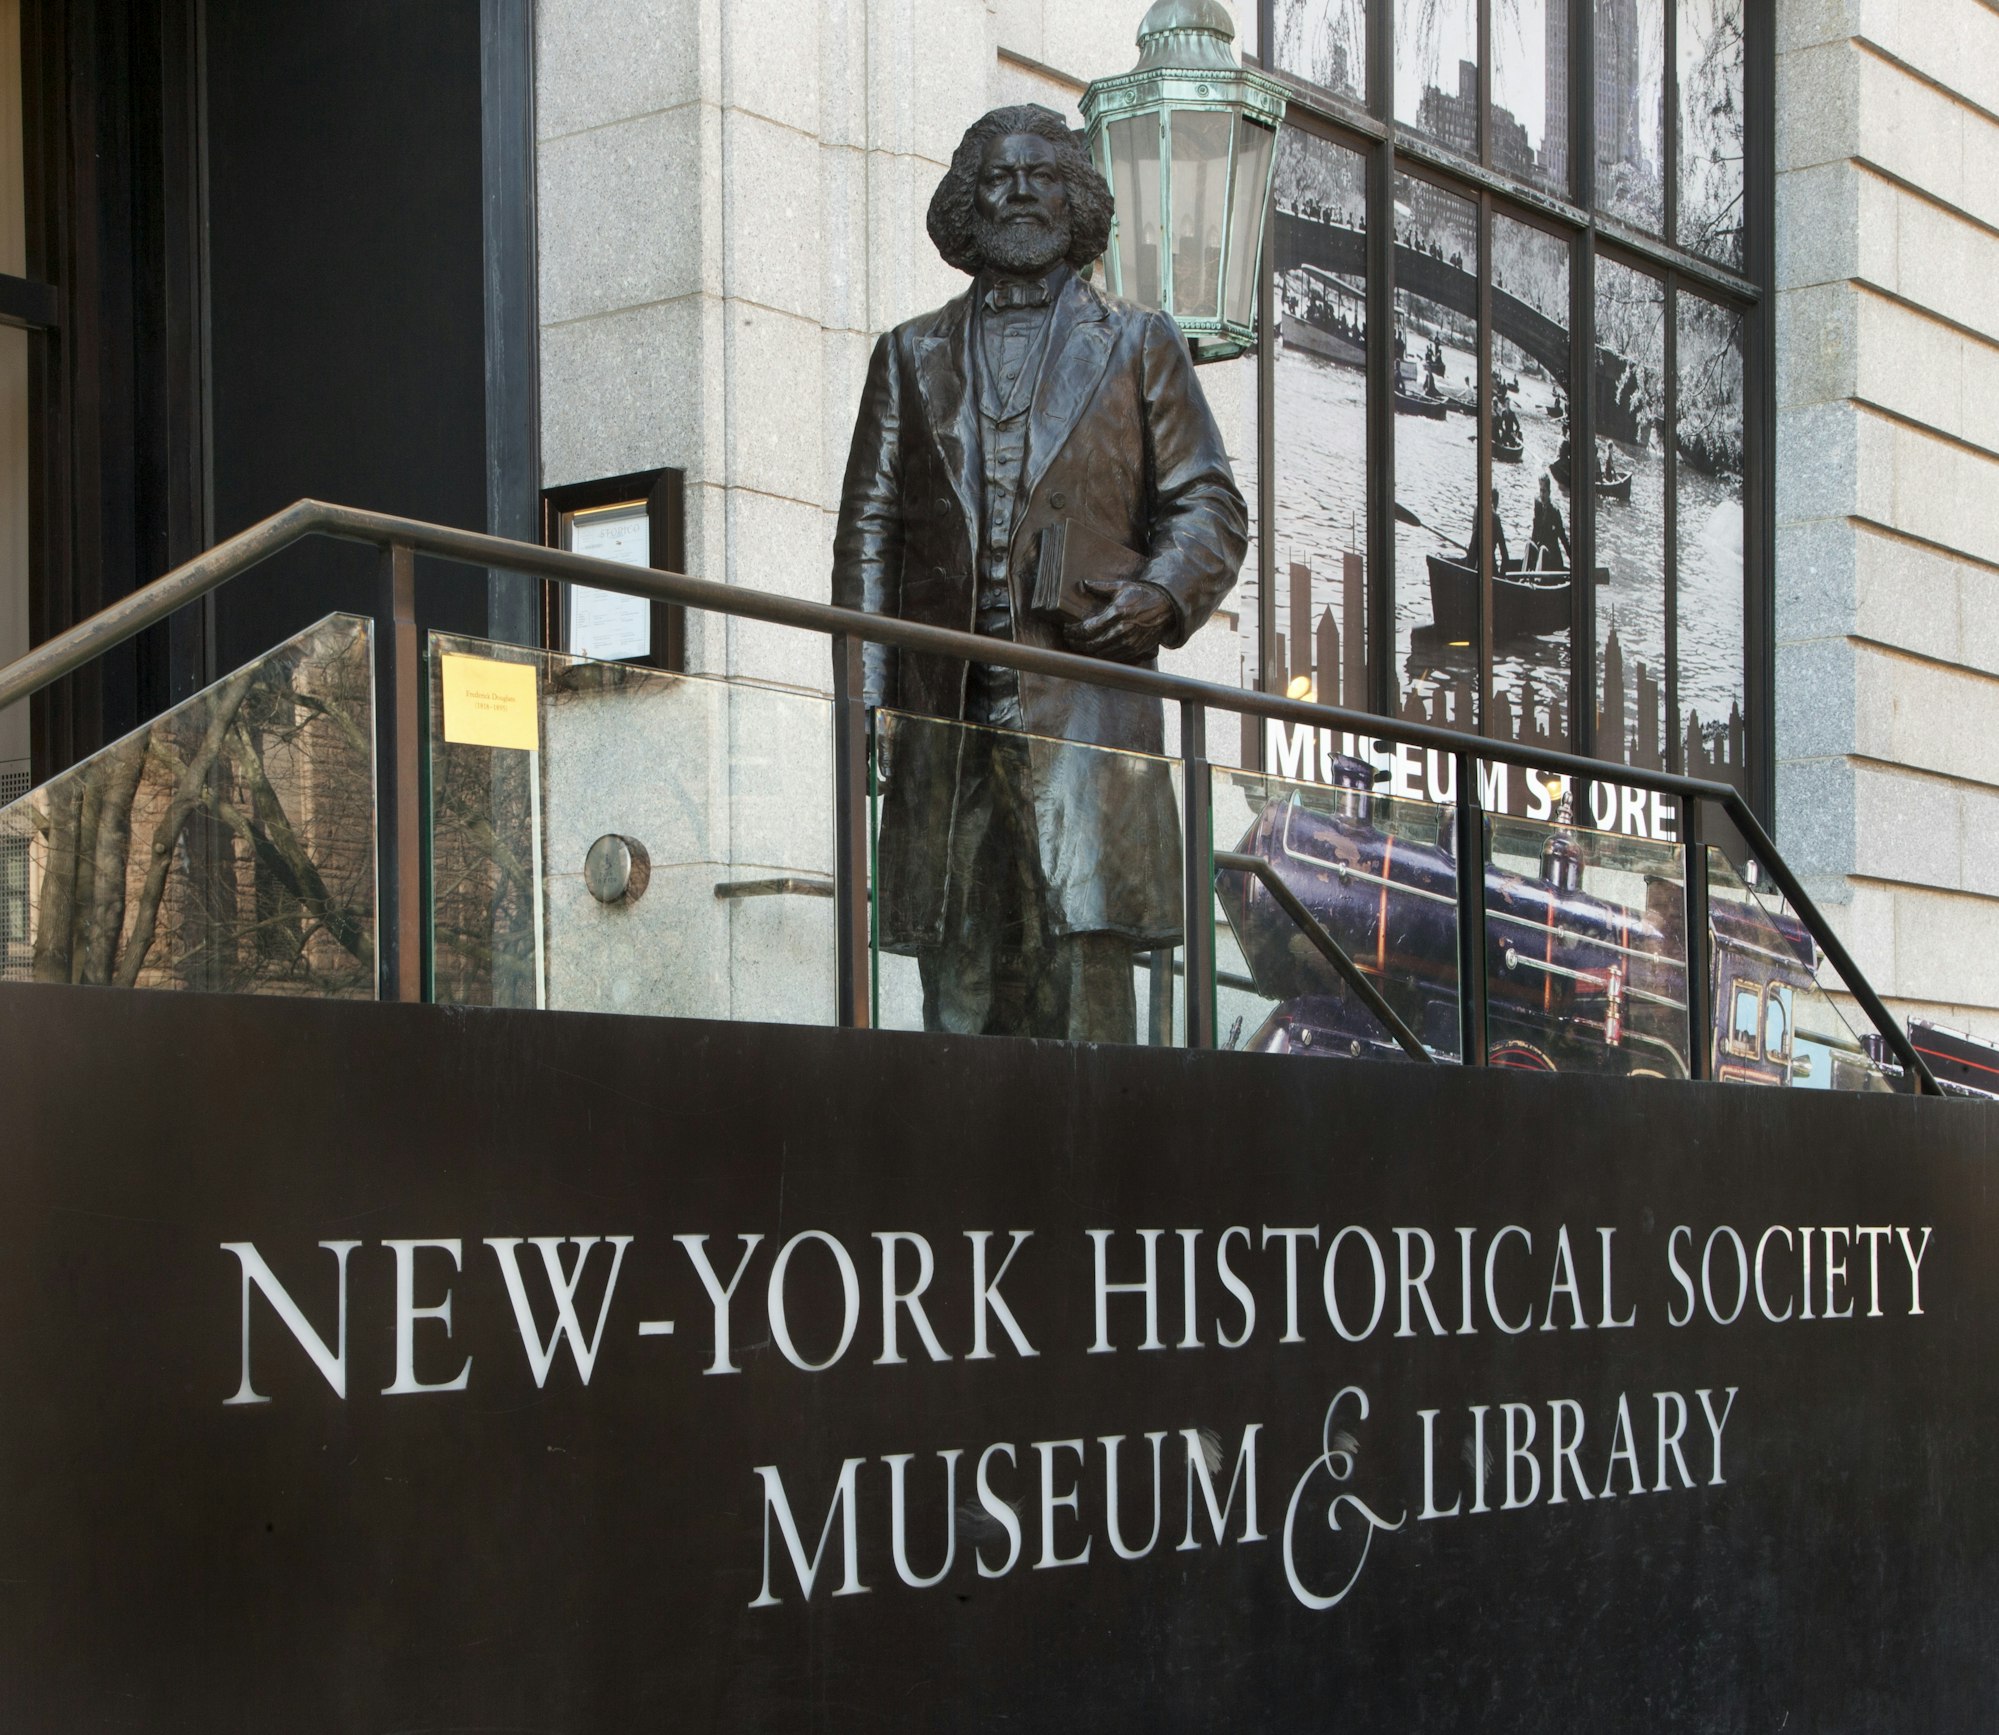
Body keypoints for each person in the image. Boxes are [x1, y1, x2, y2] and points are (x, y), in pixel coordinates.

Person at [832, 105, 1247, 1044]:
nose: (1020, 193)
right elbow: (868, 535)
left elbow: (1210, 506)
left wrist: (1158, 595)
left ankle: (1101, 1189)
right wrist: (864, 702)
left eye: (1043, 175)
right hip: (946, 711)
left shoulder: (1140, 341)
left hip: (1084, 715)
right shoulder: (906, 353)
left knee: (1083, 996)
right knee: (960, 989)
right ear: (964, 207)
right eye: (997, 177)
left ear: (1078, 200)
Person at [1527, 474, 1571, 572]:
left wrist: (1573, 560)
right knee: (1529, 544)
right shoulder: (1538, 506)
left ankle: (1537, 581)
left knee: (1542, 549)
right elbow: (1535, 532)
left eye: (1544, 491)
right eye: (1540, 490)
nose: (1542, 495)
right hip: (1540, 556)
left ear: (1549, 492)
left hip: (1552, 559)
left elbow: (1563, 538)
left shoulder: (1554, 512)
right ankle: (1524, 574)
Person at [1464, 487, 1509, 573]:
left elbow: (1474, 544)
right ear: (1495, 503)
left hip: (1471, 564)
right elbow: (1505, 555)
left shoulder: (1476, 510)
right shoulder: (1495, 518)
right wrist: (1502, 577)